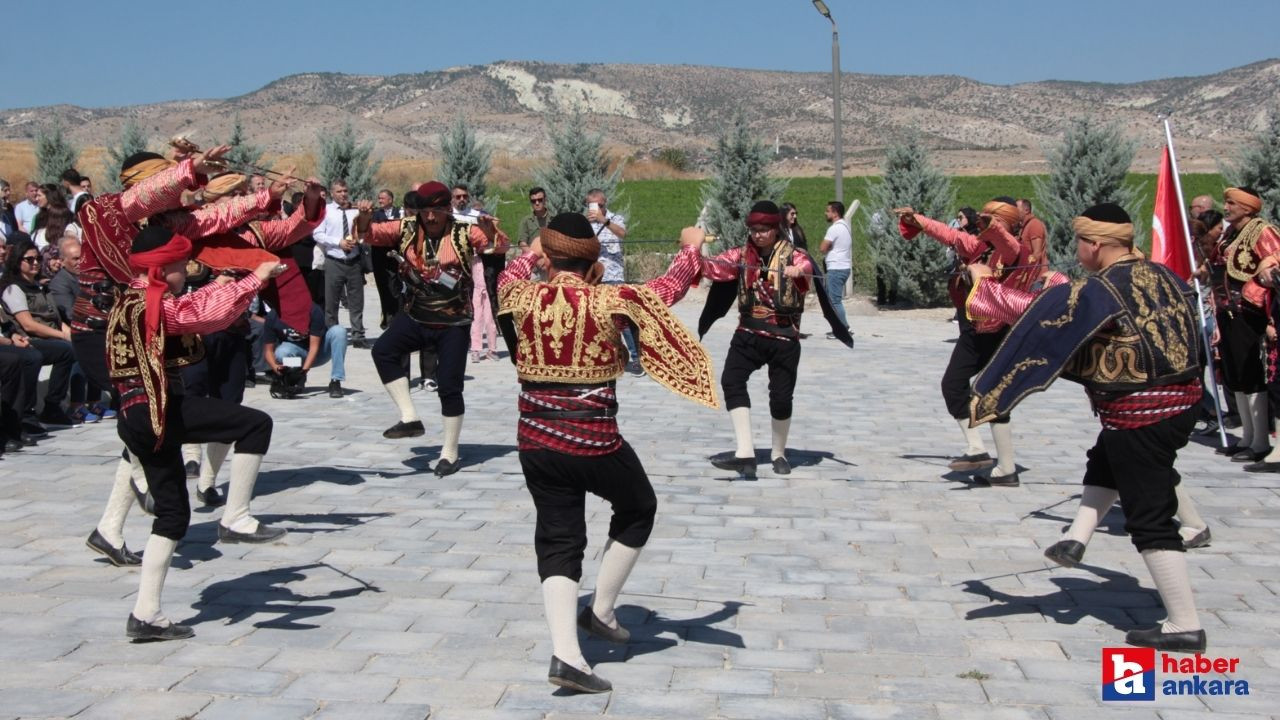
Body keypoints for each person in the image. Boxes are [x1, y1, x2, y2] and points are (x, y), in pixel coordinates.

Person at [972, 203, 1207, 653]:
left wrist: (984, 281)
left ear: (1094, 244)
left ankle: (1184, 623)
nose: (1077, 250)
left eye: (1080, 242)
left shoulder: (1100, 290)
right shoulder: (1163, 274)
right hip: (1184, 407)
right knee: (1104, 457)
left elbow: (1038, 317)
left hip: (1143, 414)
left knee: (1149, 515)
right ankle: (1077, 538)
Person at [497, 213, 715, 693]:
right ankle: (600, 611)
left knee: (557, 535)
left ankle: (566, 655)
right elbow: (665, 289)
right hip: (592, 439)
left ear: (549, 255)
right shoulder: (609, 299)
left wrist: (533, 252)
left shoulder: (519, 293)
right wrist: (690, 246)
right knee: (639, 506)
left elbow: (510, 272)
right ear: (590, 256)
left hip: (533, 438)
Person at [110, 225, 286, 642]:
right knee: (255, 423)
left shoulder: (134, 299)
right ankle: (236, 517)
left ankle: (145, 614)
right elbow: (194, 315)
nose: (184, 272)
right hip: (158, 411)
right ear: (159, 267)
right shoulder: (146, 304)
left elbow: (192, 309)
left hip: (136, 417)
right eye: (176, 266)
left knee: (173, 515)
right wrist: (253, 280)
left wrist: (230, 285)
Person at [356, 181, 508, 476]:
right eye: (425, 212)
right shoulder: (406, 227)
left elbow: (498, 246)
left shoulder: (465, 230)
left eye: (436, 212)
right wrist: (363, 216)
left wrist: (491, 232)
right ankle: (410, 416)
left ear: (447, 209)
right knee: (383, 351)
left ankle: (450, 453)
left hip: (454, 321)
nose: (430, 218)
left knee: (450, 386)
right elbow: (368, 235)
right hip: (416, 315)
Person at [897, 197, 1039, 486]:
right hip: (977, 328)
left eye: (991, 218)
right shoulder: (981, 247)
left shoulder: (1014, 251)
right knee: (987, 393)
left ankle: (979, 450)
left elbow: (1006, 244)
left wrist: (993, 228)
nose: (982, 222)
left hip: (996, 331)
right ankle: (1004, 468)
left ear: (1004, 222)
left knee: (962, 386)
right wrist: (919, 220)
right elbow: (952, 235)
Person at [701, 201, 816, 478]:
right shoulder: (740, 255)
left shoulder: (793, 255)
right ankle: (745, 453)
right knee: (731, 380)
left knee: (780, 397)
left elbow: (807, 266)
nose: (759, 235)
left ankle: (778, 453)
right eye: (754, 229)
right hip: (749, 334)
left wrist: (799, 272)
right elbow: (713, 268)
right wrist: (692, 251)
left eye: (765, 229)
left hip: (784, 337)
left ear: (775, 229)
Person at [1209, 187, 1278, 462]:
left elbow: (1275, 262)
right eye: (1226, 202)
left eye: (1231, 203)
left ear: (1248, 207)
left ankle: (1260, 440)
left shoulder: (1262, 230)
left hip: (1249, 312)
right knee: (1234, 373)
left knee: (1250, 373)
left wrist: (1257, 285)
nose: (1226, 208)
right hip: (1226, 311)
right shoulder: (1230, 233)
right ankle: (1247, 435)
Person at [0, 240, 78, 426]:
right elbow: (29, 325)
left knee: (77, 348)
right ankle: (26, 414)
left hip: (46, 336)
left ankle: (54, 406)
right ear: (18, 262)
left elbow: (57, 320)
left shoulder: (40, 286)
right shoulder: (14, 289)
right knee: (36, 356)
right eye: (29, 259)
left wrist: (73, 334)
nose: (35, 262)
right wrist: (63, 336)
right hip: (30, 338)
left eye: (38, 258)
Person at [585, 189, 641, 376]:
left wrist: (603, 220)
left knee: (620, 319)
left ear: (605, 203)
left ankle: (636, 359)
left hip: (614, 276)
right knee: (598, 319)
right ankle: (605, 356)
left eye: (600, 205)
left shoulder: (614, 218)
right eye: (592, 205)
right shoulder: (585, 223)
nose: (596, 209)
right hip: (594, 277)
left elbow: (622, 233)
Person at [315, 180, 367, 348]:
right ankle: (333, 335)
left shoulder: (354, 211)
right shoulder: (325, 211)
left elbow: (364, 231)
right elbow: (318, 234)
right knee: (332, 301)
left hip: (354, 261)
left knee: (356, 300)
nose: (343, 194)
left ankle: (358, 335)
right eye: (339, 191)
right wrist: (338, 242)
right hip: (334, 260)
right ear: (332, 193)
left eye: (345, 190)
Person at [262, 302, 347, 398]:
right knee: (281, 352)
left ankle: (335, 381)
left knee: (339, 331)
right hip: (297, 355)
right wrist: (276, 368)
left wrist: (304, 371)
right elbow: (268, 351)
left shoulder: (313, 310)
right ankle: (292, 378)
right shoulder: (273, 316)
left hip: (320, 351)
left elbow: (314, 347)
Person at [819, 200, 852, 334]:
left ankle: (842, 328)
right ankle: (842, 326)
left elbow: (822, 248)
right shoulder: (845, 227)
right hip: (843, 267)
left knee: (834, 301)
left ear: (835, 213)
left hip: (836, 268)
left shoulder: (834, 228)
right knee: (835, 300)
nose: (825, 213)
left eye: (828, 211)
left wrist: (828, 247)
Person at [371, 189, 402, 329]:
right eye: (379, 198)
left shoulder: (399, 213)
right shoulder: (375, 214)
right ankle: (386, 318)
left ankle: (397, 316)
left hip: (395, 255)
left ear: (390, 199)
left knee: (396, 287)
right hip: (379, 255)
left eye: (383, 198)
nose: (380, 201)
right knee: (383, 287)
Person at [1017, 198, 1048, 267]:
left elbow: (1037, 253)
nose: (1014, 212)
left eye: (1016, 209)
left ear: (1026, 210)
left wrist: (1024, 271)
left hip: (1037, 274)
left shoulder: (1034, 224)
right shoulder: (1024, 226)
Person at [517, 186, 550, 251]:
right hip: (532, 255)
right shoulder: (526, 221)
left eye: (540, 200)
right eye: (533, 201)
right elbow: (522, 242)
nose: (537, 203)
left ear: (545, 200)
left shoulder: (554, 218)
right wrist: (533, 255)